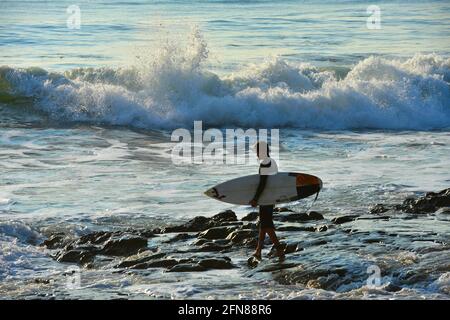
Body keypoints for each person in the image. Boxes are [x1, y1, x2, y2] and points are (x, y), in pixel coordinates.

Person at [249, 141, 285, 260]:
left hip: (266, 197)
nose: (256, 154)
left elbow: (263, 183)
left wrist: (255, 198)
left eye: (257, 151)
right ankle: (258, 250)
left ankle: (279, 249)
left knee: (267, 225)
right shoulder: (272, 161)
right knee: (264, 225)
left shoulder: (265, 163)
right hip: (271, 196)